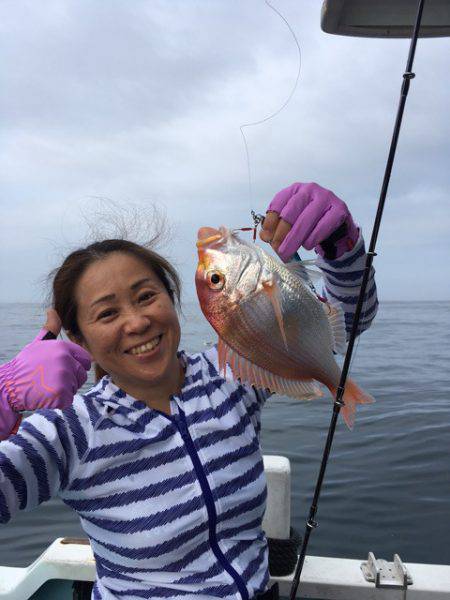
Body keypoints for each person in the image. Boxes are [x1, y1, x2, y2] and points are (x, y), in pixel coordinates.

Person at [0, 183, 377, 600]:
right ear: (79, 339)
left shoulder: (228, 375)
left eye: (147, 297)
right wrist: (3, 399)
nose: (137, 322)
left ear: (172, 300)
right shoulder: (70, 429)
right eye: (107, 313)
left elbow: (343, 321)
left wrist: (341, 246)